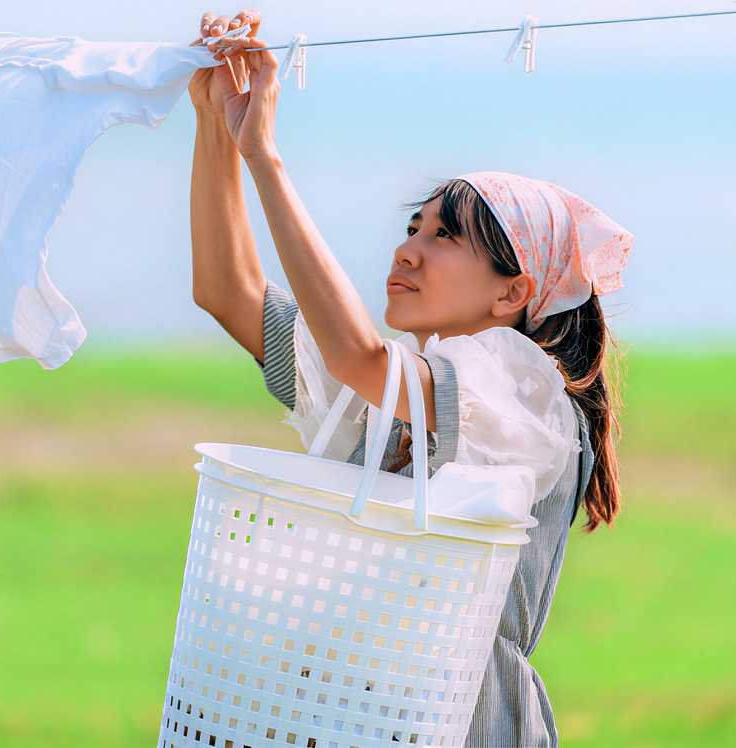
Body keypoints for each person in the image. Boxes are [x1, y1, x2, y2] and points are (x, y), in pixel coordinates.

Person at [186, 9, 633, 747]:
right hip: (364, 716)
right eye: (413, 228)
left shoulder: (518, 388)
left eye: (446, 237)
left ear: (511, 294)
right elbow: (227, 290)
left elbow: (356, 355)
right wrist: (216, 120)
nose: (410, 252)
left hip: (468, 723)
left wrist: (266, 157)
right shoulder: (395, 392)